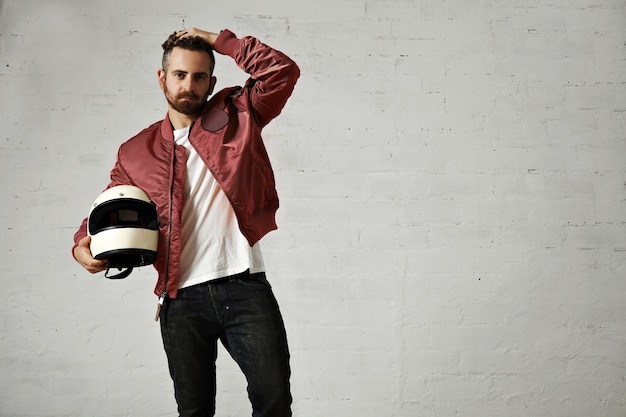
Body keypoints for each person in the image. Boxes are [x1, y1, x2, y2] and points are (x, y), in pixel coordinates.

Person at [72, 27, 300, 417]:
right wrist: (81, 244)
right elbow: (108, 204)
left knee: (274, 399)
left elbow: (281, 72)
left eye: (198, 77)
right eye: (179, 75)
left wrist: (220, 41)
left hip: (243, 286)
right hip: (180, 299)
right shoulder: (136, 151)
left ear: (212, 83)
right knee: (193, 411)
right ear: (162, 78)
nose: (188, 86)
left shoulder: (239, 114)